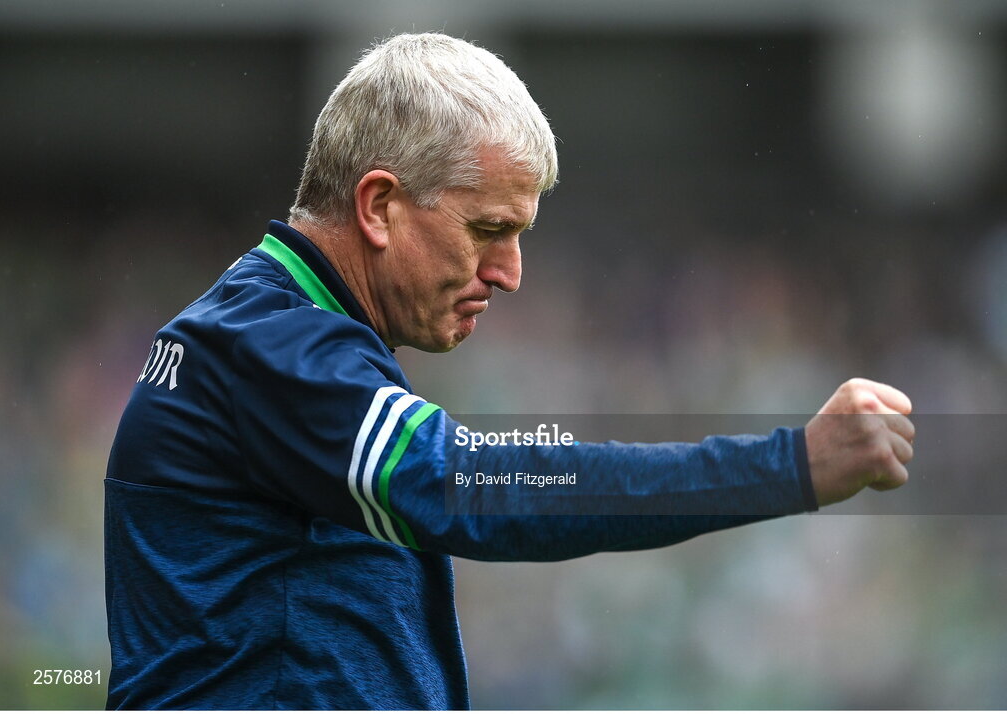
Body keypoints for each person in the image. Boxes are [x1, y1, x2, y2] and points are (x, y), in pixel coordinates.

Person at [103, 32, 915, 709]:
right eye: (488, 228)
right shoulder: (275, 351)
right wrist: (788, 467)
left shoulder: (271, 335)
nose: (510, 272)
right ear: (379, 206)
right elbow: (481, 492)